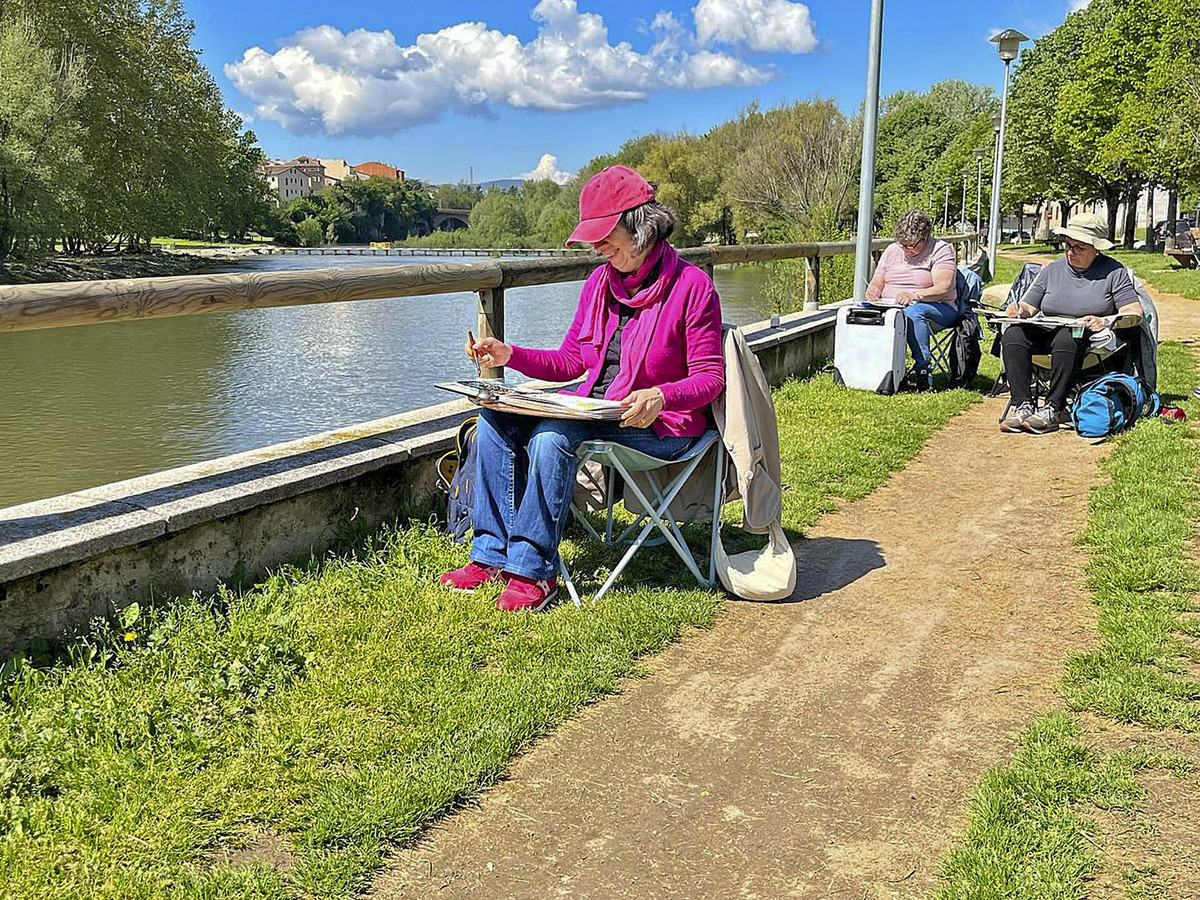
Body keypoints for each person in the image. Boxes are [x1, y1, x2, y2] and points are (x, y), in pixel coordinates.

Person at [438, 166, 725, 611]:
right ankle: (492, 555)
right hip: (597, 411)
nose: (595, 248)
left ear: (640, 226)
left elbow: (711, 379)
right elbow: (573, 361)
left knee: (554, 434)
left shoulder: (693, 287)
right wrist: (509, 354)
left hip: (661, 425)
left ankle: (533, 571)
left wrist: (661, 396)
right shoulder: (599, 284)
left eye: (603, 235)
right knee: (494, 416)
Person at [999, 212, 1143, 434]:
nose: (1070, 252)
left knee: (1069, 336)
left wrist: (1104, 321)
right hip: (1048, 329)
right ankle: (1022, 405)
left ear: (1096, 249)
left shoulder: (1114, 272)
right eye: (1068, 245)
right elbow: (1028, 306)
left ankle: (1052, 409)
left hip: (1084, 336)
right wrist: (1018, 310)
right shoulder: (1053, 270)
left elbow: (1134, 312)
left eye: (1079, 248)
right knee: (1013, 333)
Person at [864, 209, 959, 390]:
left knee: (914, 312)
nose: (907, 250)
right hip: (892, 306)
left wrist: (915, 295)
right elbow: (877, 282)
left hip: (937, 307)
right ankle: (875, 369)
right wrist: (873, 291)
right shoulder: (892, 250)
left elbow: (943, 288)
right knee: (862, 312)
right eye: (903, 245)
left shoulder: (941, 250)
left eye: (913, 245)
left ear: (925, 237)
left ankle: (923, 371)